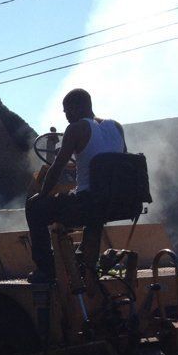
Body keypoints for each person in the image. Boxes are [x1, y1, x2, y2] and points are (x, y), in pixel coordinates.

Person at [25, 88, 126, 284]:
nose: (67, 116)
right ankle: (87, 262)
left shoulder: (76, 129)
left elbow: (56, 167)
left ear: (77, 107)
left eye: (67, 111)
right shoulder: (116, 127)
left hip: (87, 204)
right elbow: (120, 165)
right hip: (114, 202)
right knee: (91, 208)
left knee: (35, 207)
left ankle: (46, 270)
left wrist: (43, 194)